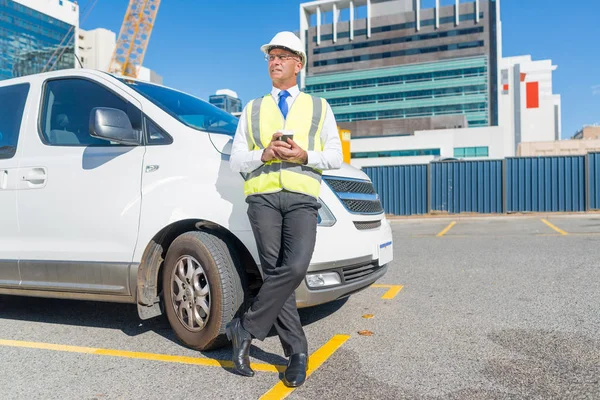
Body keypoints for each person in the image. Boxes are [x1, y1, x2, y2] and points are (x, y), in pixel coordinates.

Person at [228, 31, 343, 387]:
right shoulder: (252, 108)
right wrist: (262, 154)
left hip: (301, 199)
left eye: (282, 56)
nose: (274, 61)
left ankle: (244, 327)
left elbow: (336, 157)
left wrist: (304, 155)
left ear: (298, 63)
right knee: (279, 275)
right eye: (270, 56)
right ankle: (298, 353)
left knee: (293, 268)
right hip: (262, 199)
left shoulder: (319, 107)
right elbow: (235, 161)